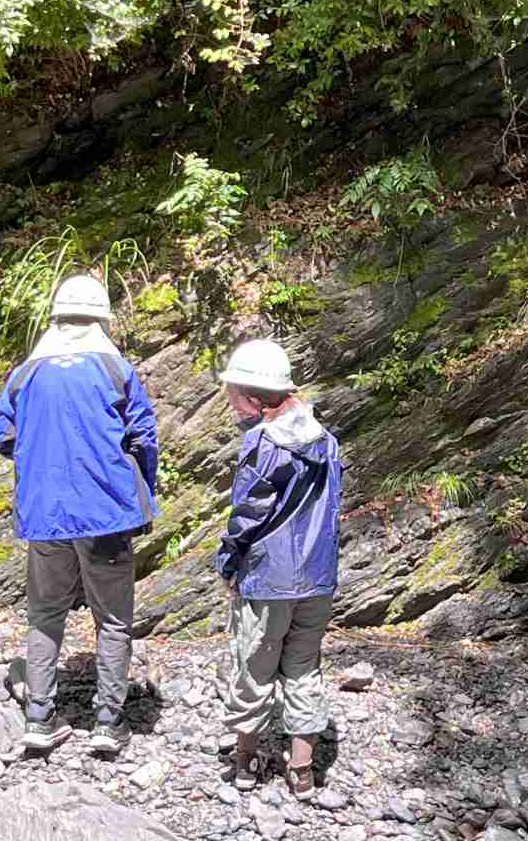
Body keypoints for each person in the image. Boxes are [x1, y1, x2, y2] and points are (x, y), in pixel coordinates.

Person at [0, 275, 158, 754]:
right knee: (112, 620)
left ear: (56, 316)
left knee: (45, 615)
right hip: (105, 514)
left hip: (45, 515)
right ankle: (108, 724)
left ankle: (39, 720)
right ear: (100, 319)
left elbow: (3, 434)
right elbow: (144, 437)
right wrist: (140, 490)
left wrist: (41, 461)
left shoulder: (24, 374)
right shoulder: (114, 369)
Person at [215, 338, 341, 800]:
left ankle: (245, 761)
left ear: (252, 397)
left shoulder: (262, 443)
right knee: (304, 667)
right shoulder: (325, 441)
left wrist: (228, 561)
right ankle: (302, 770)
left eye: (231, 395)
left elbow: (249, 512)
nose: (231, 405)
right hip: (317, 577)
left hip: (269, 578)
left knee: (255, 665)